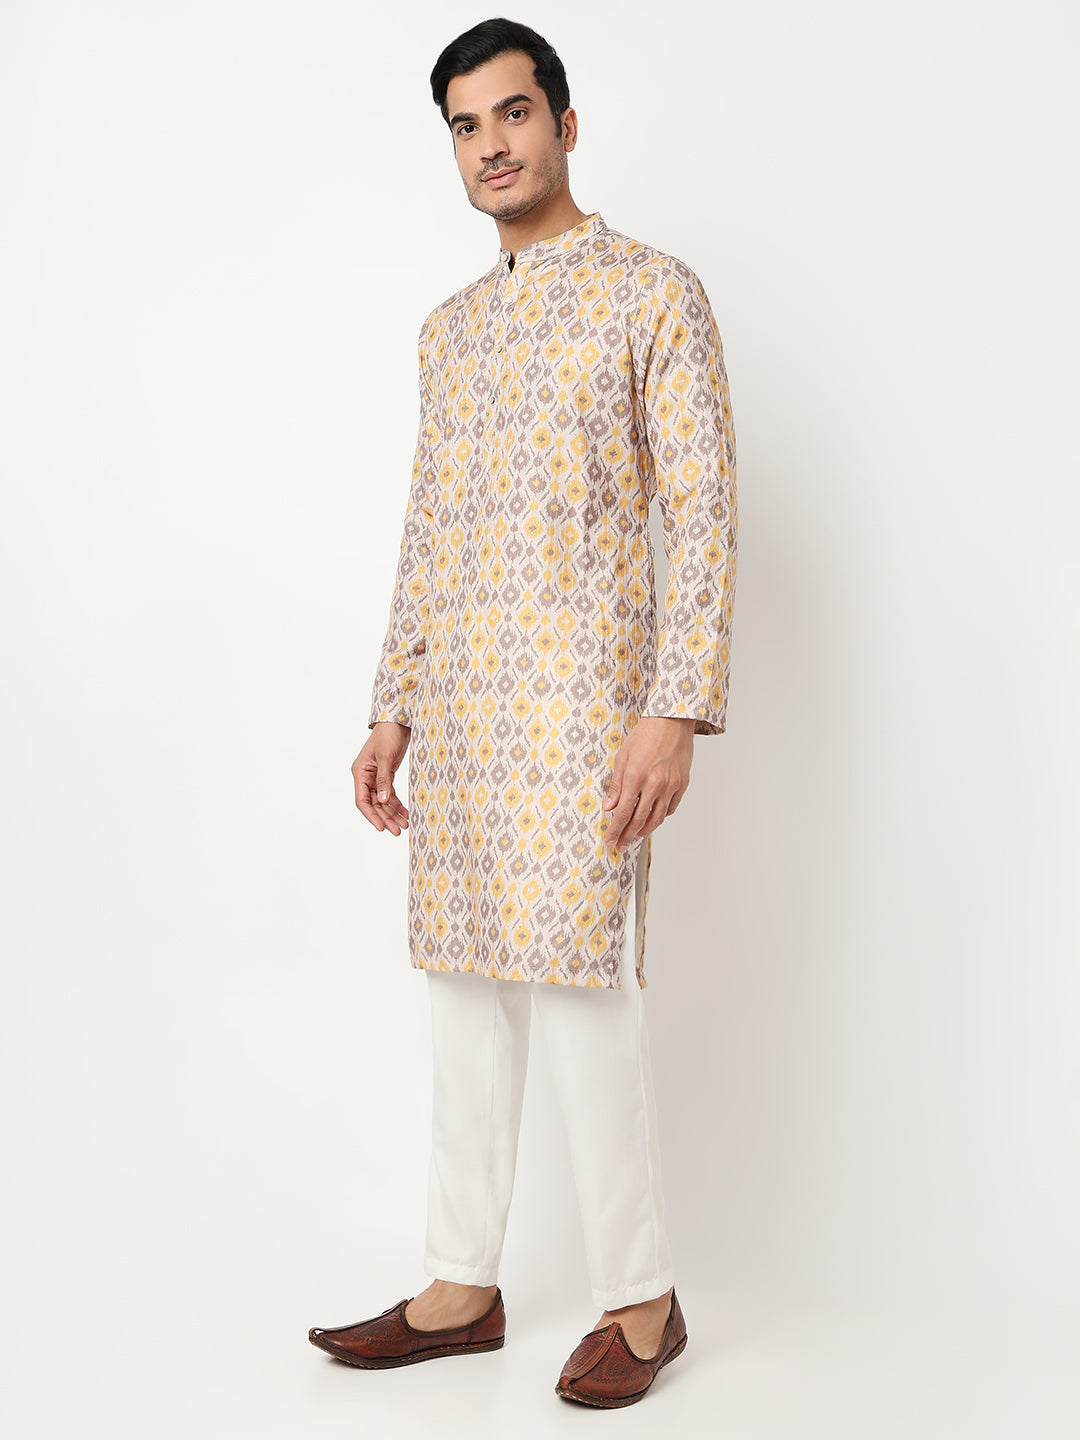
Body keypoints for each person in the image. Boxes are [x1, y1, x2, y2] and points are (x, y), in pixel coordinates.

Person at [308, 16, 737, 1408]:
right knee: (464, 997)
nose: (489, 145)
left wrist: (674, 708)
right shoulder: (450, 332)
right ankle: (460, 1285)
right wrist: (393, 704)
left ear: (563, 123)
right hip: (467, 714)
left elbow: (705, 512)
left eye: (511, 113)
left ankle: (643, 1298)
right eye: (464, 125)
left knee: (587, 994)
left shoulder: (652, 295)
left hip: (583, 708)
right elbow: (428, 526)